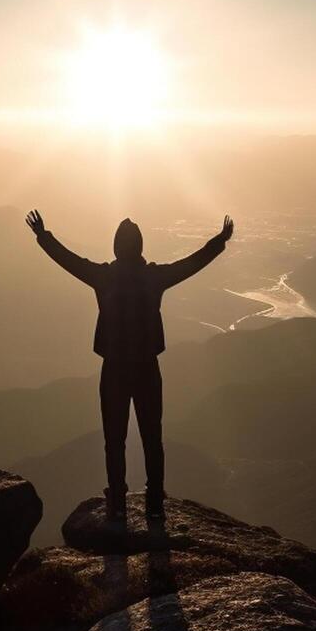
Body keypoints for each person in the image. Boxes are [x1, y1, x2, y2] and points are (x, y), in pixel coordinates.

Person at [26, 210, 233, 520]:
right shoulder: (154, 277)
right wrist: (219, 241)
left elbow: (68, 260)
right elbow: (191, 264)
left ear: (116, 248)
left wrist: (43, 236)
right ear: (140, 247)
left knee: (114, 439)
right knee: (152, 436)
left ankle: (119, 503)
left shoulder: (104, 277)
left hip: (114, 369)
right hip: (147, 368)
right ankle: (154, 504)